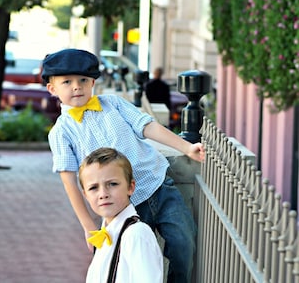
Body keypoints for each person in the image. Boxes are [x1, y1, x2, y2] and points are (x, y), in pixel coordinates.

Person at [42, 48, 205, 283]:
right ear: (52, 89)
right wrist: (88, 225)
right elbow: (69, 181)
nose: (76, 86)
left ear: (93, 82)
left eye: (83, 80)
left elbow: (147, 126)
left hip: (159, 186)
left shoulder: (114, 104)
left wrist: (186, 147)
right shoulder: (61, 132)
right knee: (125, 263)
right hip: (121, 207)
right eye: (67, 82)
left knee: (184, 242)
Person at [79, 147, 163, 283]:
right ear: (86, 195)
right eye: (93, 188)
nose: (103, 194)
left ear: (130, 187)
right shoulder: (105, 234)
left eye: (112, 184)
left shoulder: (136, 235)